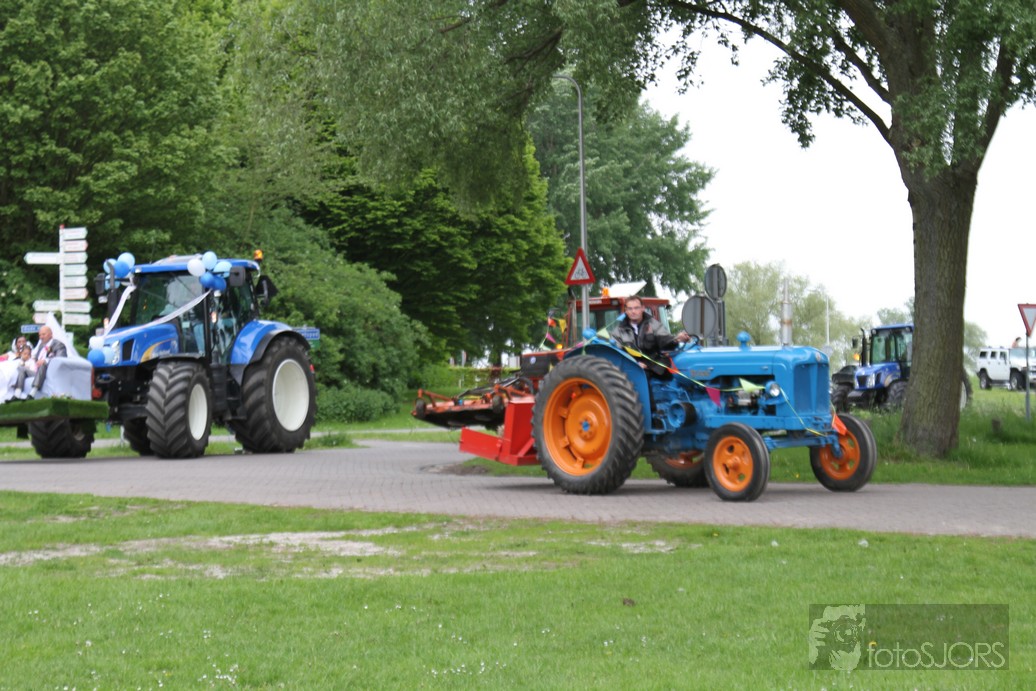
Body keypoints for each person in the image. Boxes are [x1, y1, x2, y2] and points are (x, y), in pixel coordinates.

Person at [610, 296, 691, 375]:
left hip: (653, 367)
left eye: (636, 308)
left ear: (642, 308)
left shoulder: (654, 325)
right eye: (630, 309)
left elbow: (665, 341)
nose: (633, 311)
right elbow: (616, 353)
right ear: (626, 310)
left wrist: (677, 339)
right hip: (631, 370)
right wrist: (635, 364)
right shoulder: (618, 332)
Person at [18, 325, 67, 398]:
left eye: (43, 334)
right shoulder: (41, 345)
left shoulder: (58, 344)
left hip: (49, 371)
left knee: (43, 364)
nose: (41, 337)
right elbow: (36, 358)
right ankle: (17, 393)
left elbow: (61, 358)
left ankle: (32, 393)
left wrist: (45, 361)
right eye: (40, 335)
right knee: (21, 368)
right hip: (36, 370)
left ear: (50, 334)